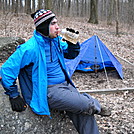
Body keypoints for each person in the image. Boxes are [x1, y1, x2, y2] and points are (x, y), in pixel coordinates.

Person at [1, 9, 111, 134]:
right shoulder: (29, 48)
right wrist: (14, 95)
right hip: (49, 91)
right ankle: (96, 106)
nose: (57, 27)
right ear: (44, 27)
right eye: (53, 24)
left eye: (57, 23)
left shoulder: (56, 41)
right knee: (85, 105)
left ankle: (90, 109)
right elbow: (6, 70)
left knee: (84, 113)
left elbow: (71, 54)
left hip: (66, 85)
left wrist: (72, 43)